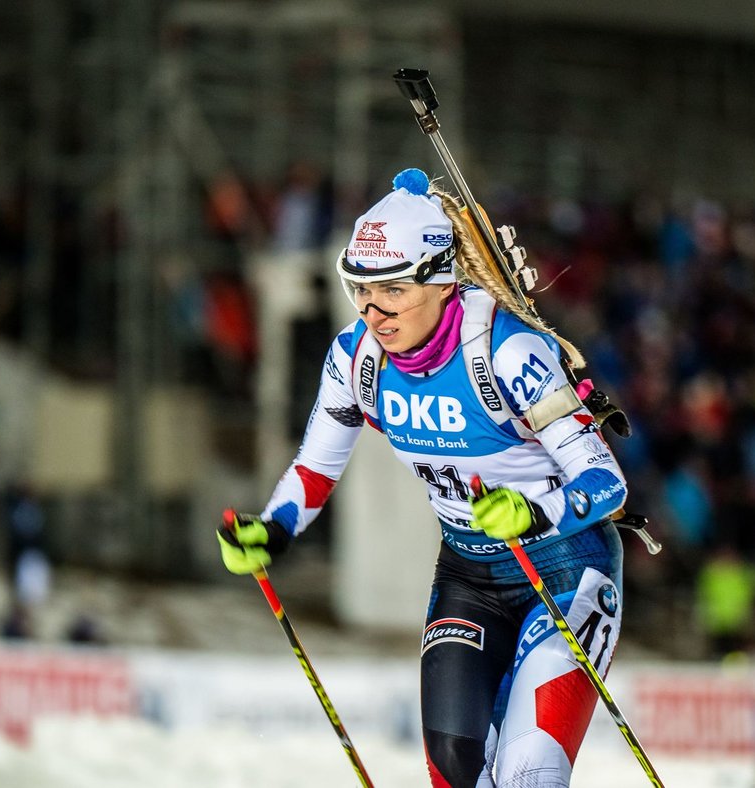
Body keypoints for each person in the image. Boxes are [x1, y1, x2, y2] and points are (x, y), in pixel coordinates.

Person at [218, 169, 630, 787]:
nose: (373, 310)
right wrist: (271, 531)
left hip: (567, 569)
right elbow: (316, 466)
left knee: (527, 773)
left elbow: (606, 483)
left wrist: (534, 510)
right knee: (454, 773)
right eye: (358, 289)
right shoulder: (356, 360)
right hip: (470, 574)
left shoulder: (504, 352)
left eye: (392, 290)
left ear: (440, 280)